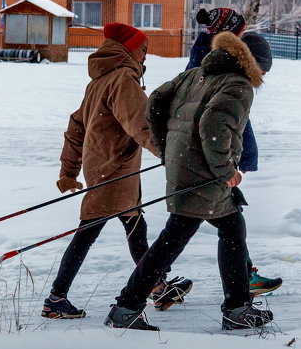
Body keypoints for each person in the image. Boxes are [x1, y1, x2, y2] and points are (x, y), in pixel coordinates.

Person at [106, 30, 275, 331]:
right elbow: (215, 125)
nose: (261, 75)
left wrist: (167, 148)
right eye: (262, 69)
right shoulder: (238, 85)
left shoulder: (194, 75)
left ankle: (128, 306)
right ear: (253, 64)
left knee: (225, 228)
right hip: (206, 173)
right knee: (186, 235)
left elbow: (155, 102)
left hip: (183, 167)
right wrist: (227, 171)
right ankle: (129, 306)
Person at [42, 22, 191, 319]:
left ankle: (157, 285)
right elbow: (141, 122)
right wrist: (170, 154)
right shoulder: (122, 79)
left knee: (135, 228)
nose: (146, 55)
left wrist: (69, 172)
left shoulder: (99, 80)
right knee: (88, 233)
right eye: (143, 49)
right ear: (128, 49)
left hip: (107, 168)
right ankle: (56, 298)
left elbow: (75, 128)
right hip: (114, 170)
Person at [187, 8, 282, 296]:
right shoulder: (222, 74)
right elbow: (225, 124)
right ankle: (142, 290)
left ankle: (150, 285)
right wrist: (233, 165)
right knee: (219, 225)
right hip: (207, 163)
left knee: (222, 224)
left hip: (203, 160)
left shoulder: (211, 67)